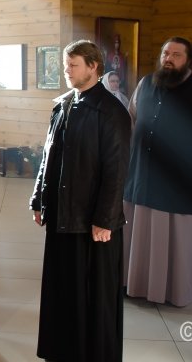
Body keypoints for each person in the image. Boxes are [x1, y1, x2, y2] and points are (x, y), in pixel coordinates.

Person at [30, 39, 130, 362]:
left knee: (93, 296)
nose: (67, 71)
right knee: (62, 290)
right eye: (65, 65)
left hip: (93, 222)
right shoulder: (62, 104)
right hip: (62, 214)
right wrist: (38, 198)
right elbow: (48, 157)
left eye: (73, 65)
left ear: (93, 67)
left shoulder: (112, 111)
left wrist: (105, 219)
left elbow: (116, 170)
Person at [122, 37, 192, 307]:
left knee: (178, 232)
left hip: (180, 173)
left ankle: (176, 289)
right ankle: (135, 283)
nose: (169, 58)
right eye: (166, 53)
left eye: (176, 55)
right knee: (138, 224)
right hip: (143, 168)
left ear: (188, 60)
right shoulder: (145, 83)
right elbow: (131, 121)